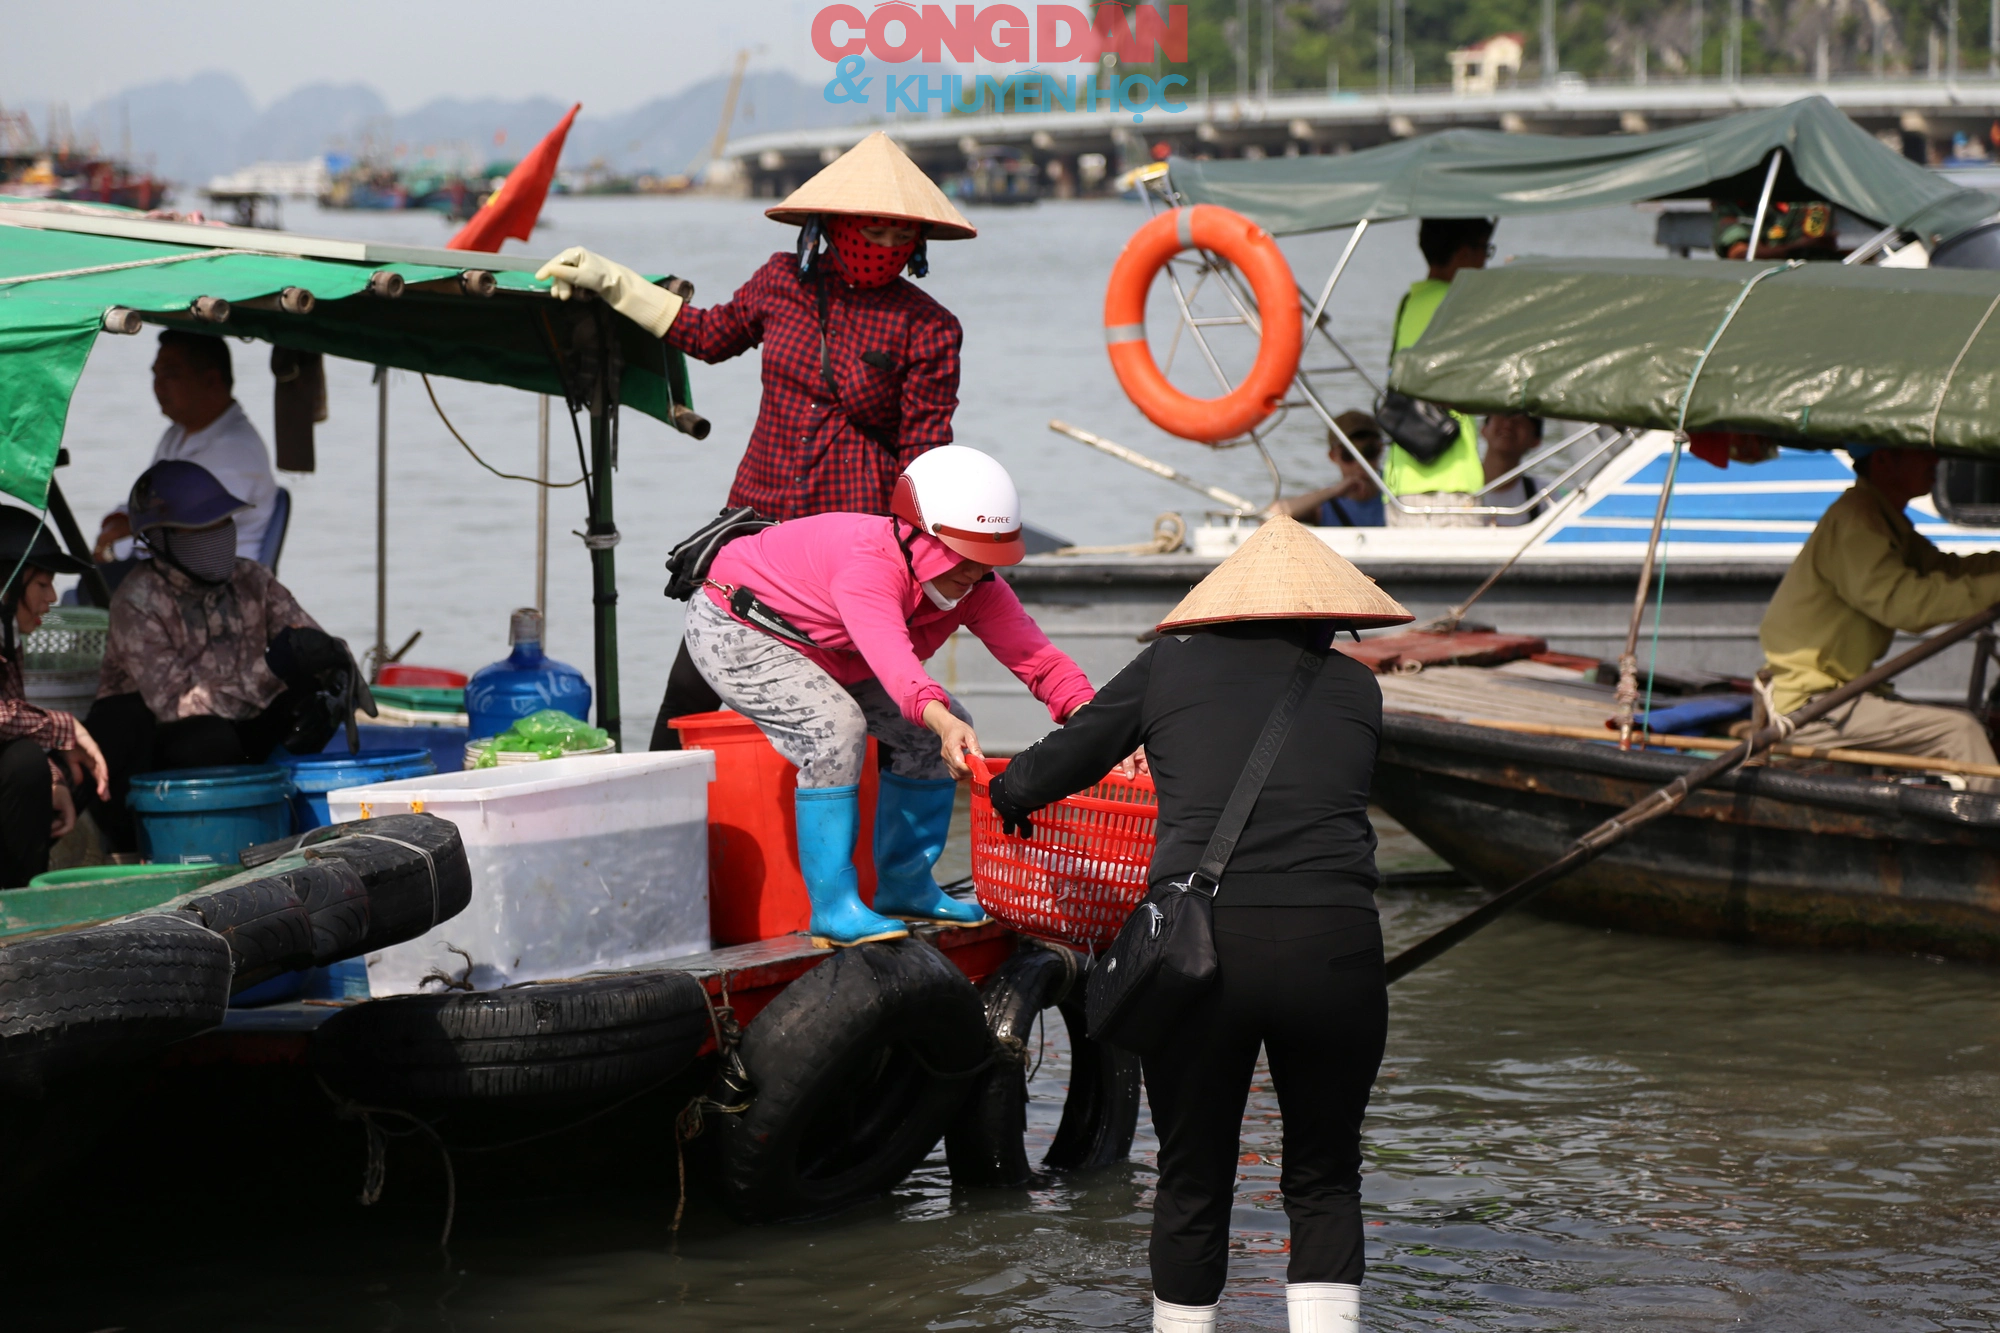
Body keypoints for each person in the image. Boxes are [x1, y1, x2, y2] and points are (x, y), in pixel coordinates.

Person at [985, 516, 1412, 1333]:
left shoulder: (1168, 667)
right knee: (1325, 1178)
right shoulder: (1360, 687)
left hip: (1201, 951)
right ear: (1328, 615)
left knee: (1192, 1176)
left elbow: (1066, 758)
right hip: (1337, 948)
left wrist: (1009, 795)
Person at [530, 132, 980, 751]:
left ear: (917, 243)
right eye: (869, 231)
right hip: (757, 522)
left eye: (898, 236)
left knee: (850, 696)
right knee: (693, 679)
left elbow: (923, 462)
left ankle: (847, 825)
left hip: (846, 533)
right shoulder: (780, 282)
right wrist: (615, 285)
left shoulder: (929, 327)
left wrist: (919, 563)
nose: (882, 248)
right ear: (833, 224)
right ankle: (660, 798)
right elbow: (709, 335)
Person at [683, 445, 1094, 947]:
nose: (973, 575)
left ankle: (907, 886)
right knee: (834, 730)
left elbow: (1040, 660)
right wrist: (941, 722)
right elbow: (896, 664)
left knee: (934, 729)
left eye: (987, 561)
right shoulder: (869, 566)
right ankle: (833, 909)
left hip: (834, 647)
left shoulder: (977, 586)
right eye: (964, 558)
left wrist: (1101, 725)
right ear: (922, 538)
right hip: (739, 628)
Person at [85, 461, 367, 852]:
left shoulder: (253, 580)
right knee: (200, 736)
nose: (217, 538)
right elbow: (176, 705)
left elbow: (308, 636)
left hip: (239, 735)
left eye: (222, 524)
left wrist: (335, 673)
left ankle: (275, 806)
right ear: (159, 539)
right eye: (199, 531)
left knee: (310, 694)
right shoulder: (137, 601)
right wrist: (272, 668)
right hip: (161, 754)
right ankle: (147, 839)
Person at [1759, 445, 2000, 791]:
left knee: (1968, 724)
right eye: (1923, 452)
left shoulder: (1877, 516)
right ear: (1885, 459)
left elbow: (1946, 570)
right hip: (1812, 706)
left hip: (1838, 697)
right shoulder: (1857, 520)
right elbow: (1907, 605)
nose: (1936, 461)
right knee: (1960, 732)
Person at [93, 331, 280, 567]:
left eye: (170, 375)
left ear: (211, 380)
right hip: (167, 567)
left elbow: (191, 535)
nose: (158, 386)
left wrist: (118, 542)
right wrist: (115, 527)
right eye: (155, 374)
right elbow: (142, 503)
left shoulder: (237, 451)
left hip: (217, 585)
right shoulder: (176, 434)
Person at [0, 509, 109, 886]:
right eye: (42, 584)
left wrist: (55, 780)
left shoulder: (7, 640)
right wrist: (65, 727)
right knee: (29, 760)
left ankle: (23, 899)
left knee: (66, 770)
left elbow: (15, 729)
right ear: (8, 585)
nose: (51, 598)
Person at [1382, 217, 1496, 528]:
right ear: (1463, 254)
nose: (1486, 261)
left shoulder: (1409, 302)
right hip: (1452, 481)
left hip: (1401, 481)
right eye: (1485, 250)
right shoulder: (1461, 304)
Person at [1268, 413, 1387, 527]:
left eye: (1369, 452)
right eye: (1348, 454)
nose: (1360, 463)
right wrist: (1333, 491)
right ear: (1333, 456)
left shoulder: (1395, 494)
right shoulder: (1327, 504)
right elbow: (1270, 516)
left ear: (1381, 450)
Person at [1713, 197, 1842, 261]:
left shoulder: (1811, 201)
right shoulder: (1733, 204)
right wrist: (1796, 249)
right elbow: (1740, 254)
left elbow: (1816, 246)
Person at [1480, 413, 1545, 528]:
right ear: (1483, 429)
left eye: (1521, 419)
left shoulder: (1544, 496)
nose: (1508, 424)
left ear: (1536, 441)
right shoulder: (1456, 486)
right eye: (1502, 413)